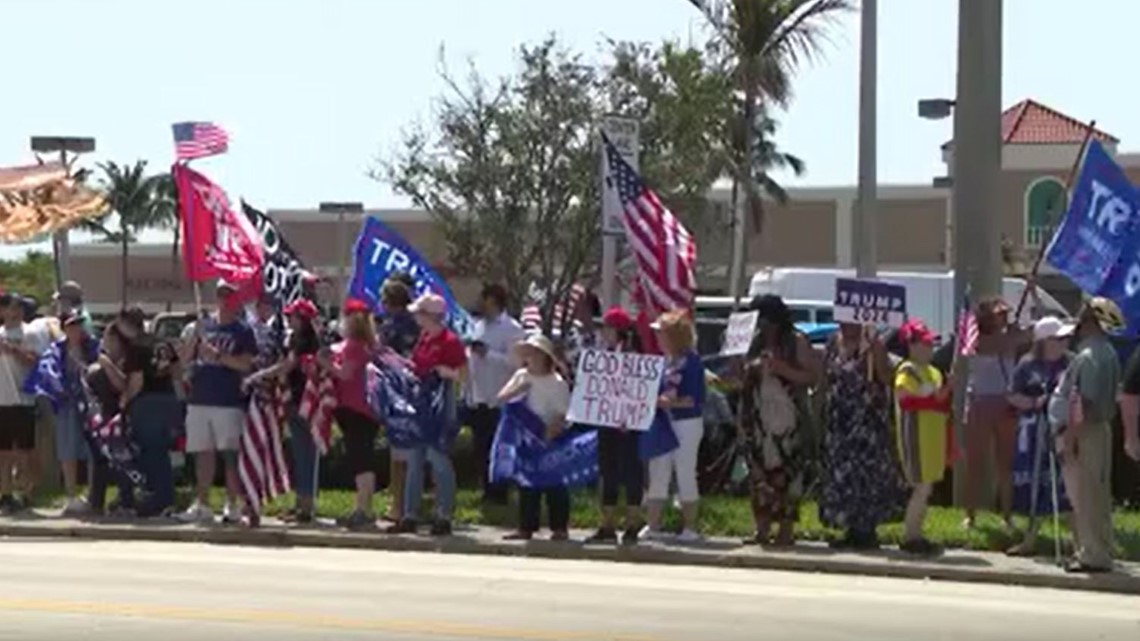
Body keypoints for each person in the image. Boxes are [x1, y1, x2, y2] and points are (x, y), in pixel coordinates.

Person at [1049, 297, 1123, 573]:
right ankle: (1100, 547)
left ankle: (1093, 554)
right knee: (1098, 492)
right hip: (1099, 429)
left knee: (1087, 494)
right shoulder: (1108, 352)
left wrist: (1069, 440)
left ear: (1091, 321)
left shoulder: (1088, 356)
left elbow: (1083, 403)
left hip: (1086, 431)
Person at [738, 295, 818, 546]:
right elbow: (738, 380)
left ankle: (785, 530)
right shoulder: (752, 343)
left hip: (789, 419)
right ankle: (761, 529)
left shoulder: (796, 342)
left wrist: (782, 368)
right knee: (759, 474)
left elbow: (811, 377)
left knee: (788, 476)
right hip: (758, 418)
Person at [177, 280, 258, 524]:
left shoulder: (242, 330)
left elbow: (246, 364)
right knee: (203, 453)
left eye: (230, 295)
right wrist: (194, 339)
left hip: (228, 400)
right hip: (200, 397)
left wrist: (220, 357)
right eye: (221, 294)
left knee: (230, 455)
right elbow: (184, 360)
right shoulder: (203, 325)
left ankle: (232, 504)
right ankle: (202, 502)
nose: (225, 300)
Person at [819, 322, 902, 550]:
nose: (846, 326)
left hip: (867, 420)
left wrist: (875, 351)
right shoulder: (833, 343)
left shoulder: (874, 344)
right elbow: (825, 376)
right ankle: (849, 528)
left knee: (866, 474)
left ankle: (867, 530)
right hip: (840, 419)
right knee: (842, 474)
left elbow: (887, 377)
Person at [389, 293, 466, 536]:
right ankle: (411, 514)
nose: (415, 317)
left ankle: (443, 514)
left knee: (438, 457)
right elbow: (417, 365)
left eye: (419, 313)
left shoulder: (450, 341)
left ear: (430, 316)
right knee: (414, 458)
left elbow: (463, 375)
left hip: (441, 405)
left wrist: (446, 372)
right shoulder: (423, 338)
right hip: (420, 403)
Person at [247, 298, 322, 523]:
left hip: (303, 401)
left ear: (303, 319)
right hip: (297, 400)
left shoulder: (304, 341)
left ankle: (305, 506)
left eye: (293, 316)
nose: (289, 320)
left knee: (305, 453)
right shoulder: (300, 339)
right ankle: (301, 503)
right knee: (300, 454)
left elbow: (286, 365)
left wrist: (259, 376)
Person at [963, 297, 1033, 530]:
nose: (1004, 317)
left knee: (1005, 464)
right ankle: (970, 515)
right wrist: (1013, 336)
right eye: (998, 314)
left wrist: (1032, 295)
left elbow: (1041, 330)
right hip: (980, 403)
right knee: (976, 463)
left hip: (1006, 403)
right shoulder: (977, 339)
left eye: (1005, 313)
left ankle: (1007, 516)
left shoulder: (1010, 337)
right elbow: (994, 345)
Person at [1005, 317, 1072, 556]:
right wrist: (1034, 402)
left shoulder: (1070, 363)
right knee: (1036, 484)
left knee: (1066, 484)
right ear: (1044, 341)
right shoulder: (1027, 365)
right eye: (1059, 338)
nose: (1064, 342)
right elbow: (1012, 395)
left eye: (1066, 338)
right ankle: (1030, 540)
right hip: (1034, 432)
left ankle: (1081, 540)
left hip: (1063, 431)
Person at [499, 334, 572, 541]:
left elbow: (562, 413)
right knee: (527, 484)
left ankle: (559, 527)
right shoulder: (521, 376)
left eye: (536, 353)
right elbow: (501, 399)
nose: (531, 357)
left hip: (550, 435)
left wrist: (549, 433)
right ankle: (526, 526)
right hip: (525, 437)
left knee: (555, 484)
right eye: (529, 353)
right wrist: (519, 389)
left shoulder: (557, 382)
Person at [642, 310, 706, 543]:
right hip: (663, 422)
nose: (658, 338)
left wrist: (670, 402)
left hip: (686, 422)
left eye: (662, 334)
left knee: (685, 471)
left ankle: (690, 526)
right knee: (658, 470)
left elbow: (695, 398)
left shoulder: (692, 362)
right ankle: (653, 523)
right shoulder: (663, 362)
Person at [585, 306, 645, 545]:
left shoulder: (634, 356)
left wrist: (628, 415)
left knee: (631, 473)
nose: (603, 332)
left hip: (629, 425)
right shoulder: (602, 355)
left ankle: (632, 523)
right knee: (607, 471)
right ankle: (607, 524)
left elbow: (639, 389)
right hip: (606, 422)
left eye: (607, 328)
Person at [322, 298, 381, 529]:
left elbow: (345, 374)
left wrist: (325, 363)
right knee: (362, 457)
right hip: (366, 410)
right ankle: (363, 507)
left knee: (360, 460)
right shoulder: (370, 345)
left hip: (356, 408)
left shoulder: (353, 346)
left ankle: (363, 509)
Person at [893, 319, 951, 556]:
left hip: (932, 436)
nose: (930, 348)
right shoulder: (908, 370)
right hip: (914, 434)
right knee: (921, 487)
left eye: (931, 344)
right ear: (912, 346)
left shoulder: (935, 372)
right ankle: (910, 536)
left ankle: (916, 533)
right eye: (925, 344)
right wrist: (935, 401)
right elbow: (904, 399)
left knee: (927, 488)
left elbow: (941, 402)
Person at [466, 283, 525, 505]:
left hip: (500, 398)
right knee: (480, 447)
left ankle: (500, 493)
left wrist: (488, 353)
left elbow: (516, 363)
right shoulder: (478, 327)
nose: (480, 304)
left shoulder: (512, 329)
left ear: (493, 301)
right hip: (479, 396)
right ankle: (486, 490)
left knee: (498, 447)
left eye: (484, 299)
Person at [120, 312, 183, 518]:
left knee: (150, 451)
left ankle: (158, 499)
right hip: (167, 398)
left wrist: (125, 401)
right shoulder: (162, 343)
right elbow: (176, 369)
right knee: (162, 451)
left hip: (148, 402)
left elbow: (137, 381)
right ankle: (165, 497)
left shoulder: (136, 347)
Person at [0, 292, 51, 513]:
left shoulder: (30, 333)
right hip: (2, 399)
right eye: (10, 307)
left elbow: (37, 361)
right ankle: (6, 493)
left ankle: (29, 492)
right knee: (3, 452)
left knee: (26, 451)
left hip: (24, 399)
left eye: (18, 307)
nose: (14, 311)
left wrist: (14, 350)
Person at [376, 279, 421, 523]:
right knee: (410, 451)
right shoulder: (417, 325)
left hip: (397, 392)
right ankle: (405, 502)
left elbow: (382, 355)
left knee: (399, 451)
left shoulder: (392, 327)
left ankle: (399, 505)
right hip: (416, 391)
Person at [52, 312, 100, 514]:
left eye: (79, 325)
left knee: (92, 450)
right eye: (71, 326)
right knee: (67, 449)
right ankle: (71, 495)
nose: (76, 330)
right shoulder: (57, 349)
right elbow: (49, 372)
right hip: (66, 404)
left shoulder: (93, 346)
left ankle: (92, 494)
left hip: (90, 403)